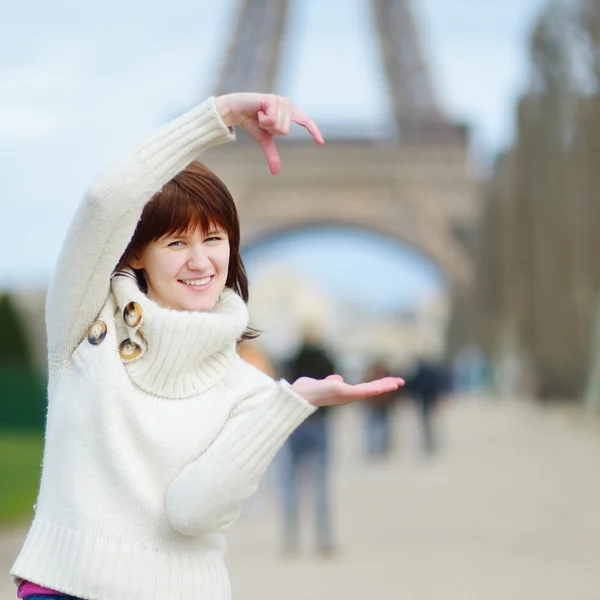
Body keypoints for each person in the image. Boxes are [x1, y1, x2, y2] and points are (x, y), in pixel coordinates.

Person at [10, 92, 404, 600]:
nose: (200, 261)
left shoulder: (248, 387)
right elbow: (106, 200)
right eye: (176, 243)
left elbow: (192, 511)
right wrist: (219, 115)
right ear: (137, 252)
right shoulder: (84, 322)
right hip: (61, 590)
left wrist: (289, 406)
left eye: (214, 239)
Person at [280, 326, 337, 556]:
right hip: (319, 422)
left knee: (291, 485)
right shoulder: (326, 359)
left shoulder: (292, 360)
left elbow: (283, 388)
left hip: (296, 423)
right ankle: (324, 539)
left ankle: (291, 539)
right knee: (321, 485)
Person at [363, 359, 396, 457]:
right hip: (383, 404)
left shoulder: (371, 376)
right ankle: (382, 447)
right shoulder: (386, 376)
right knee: (383, 426)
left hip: (375, 404)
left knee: (373, 426)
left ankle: (374, 448)